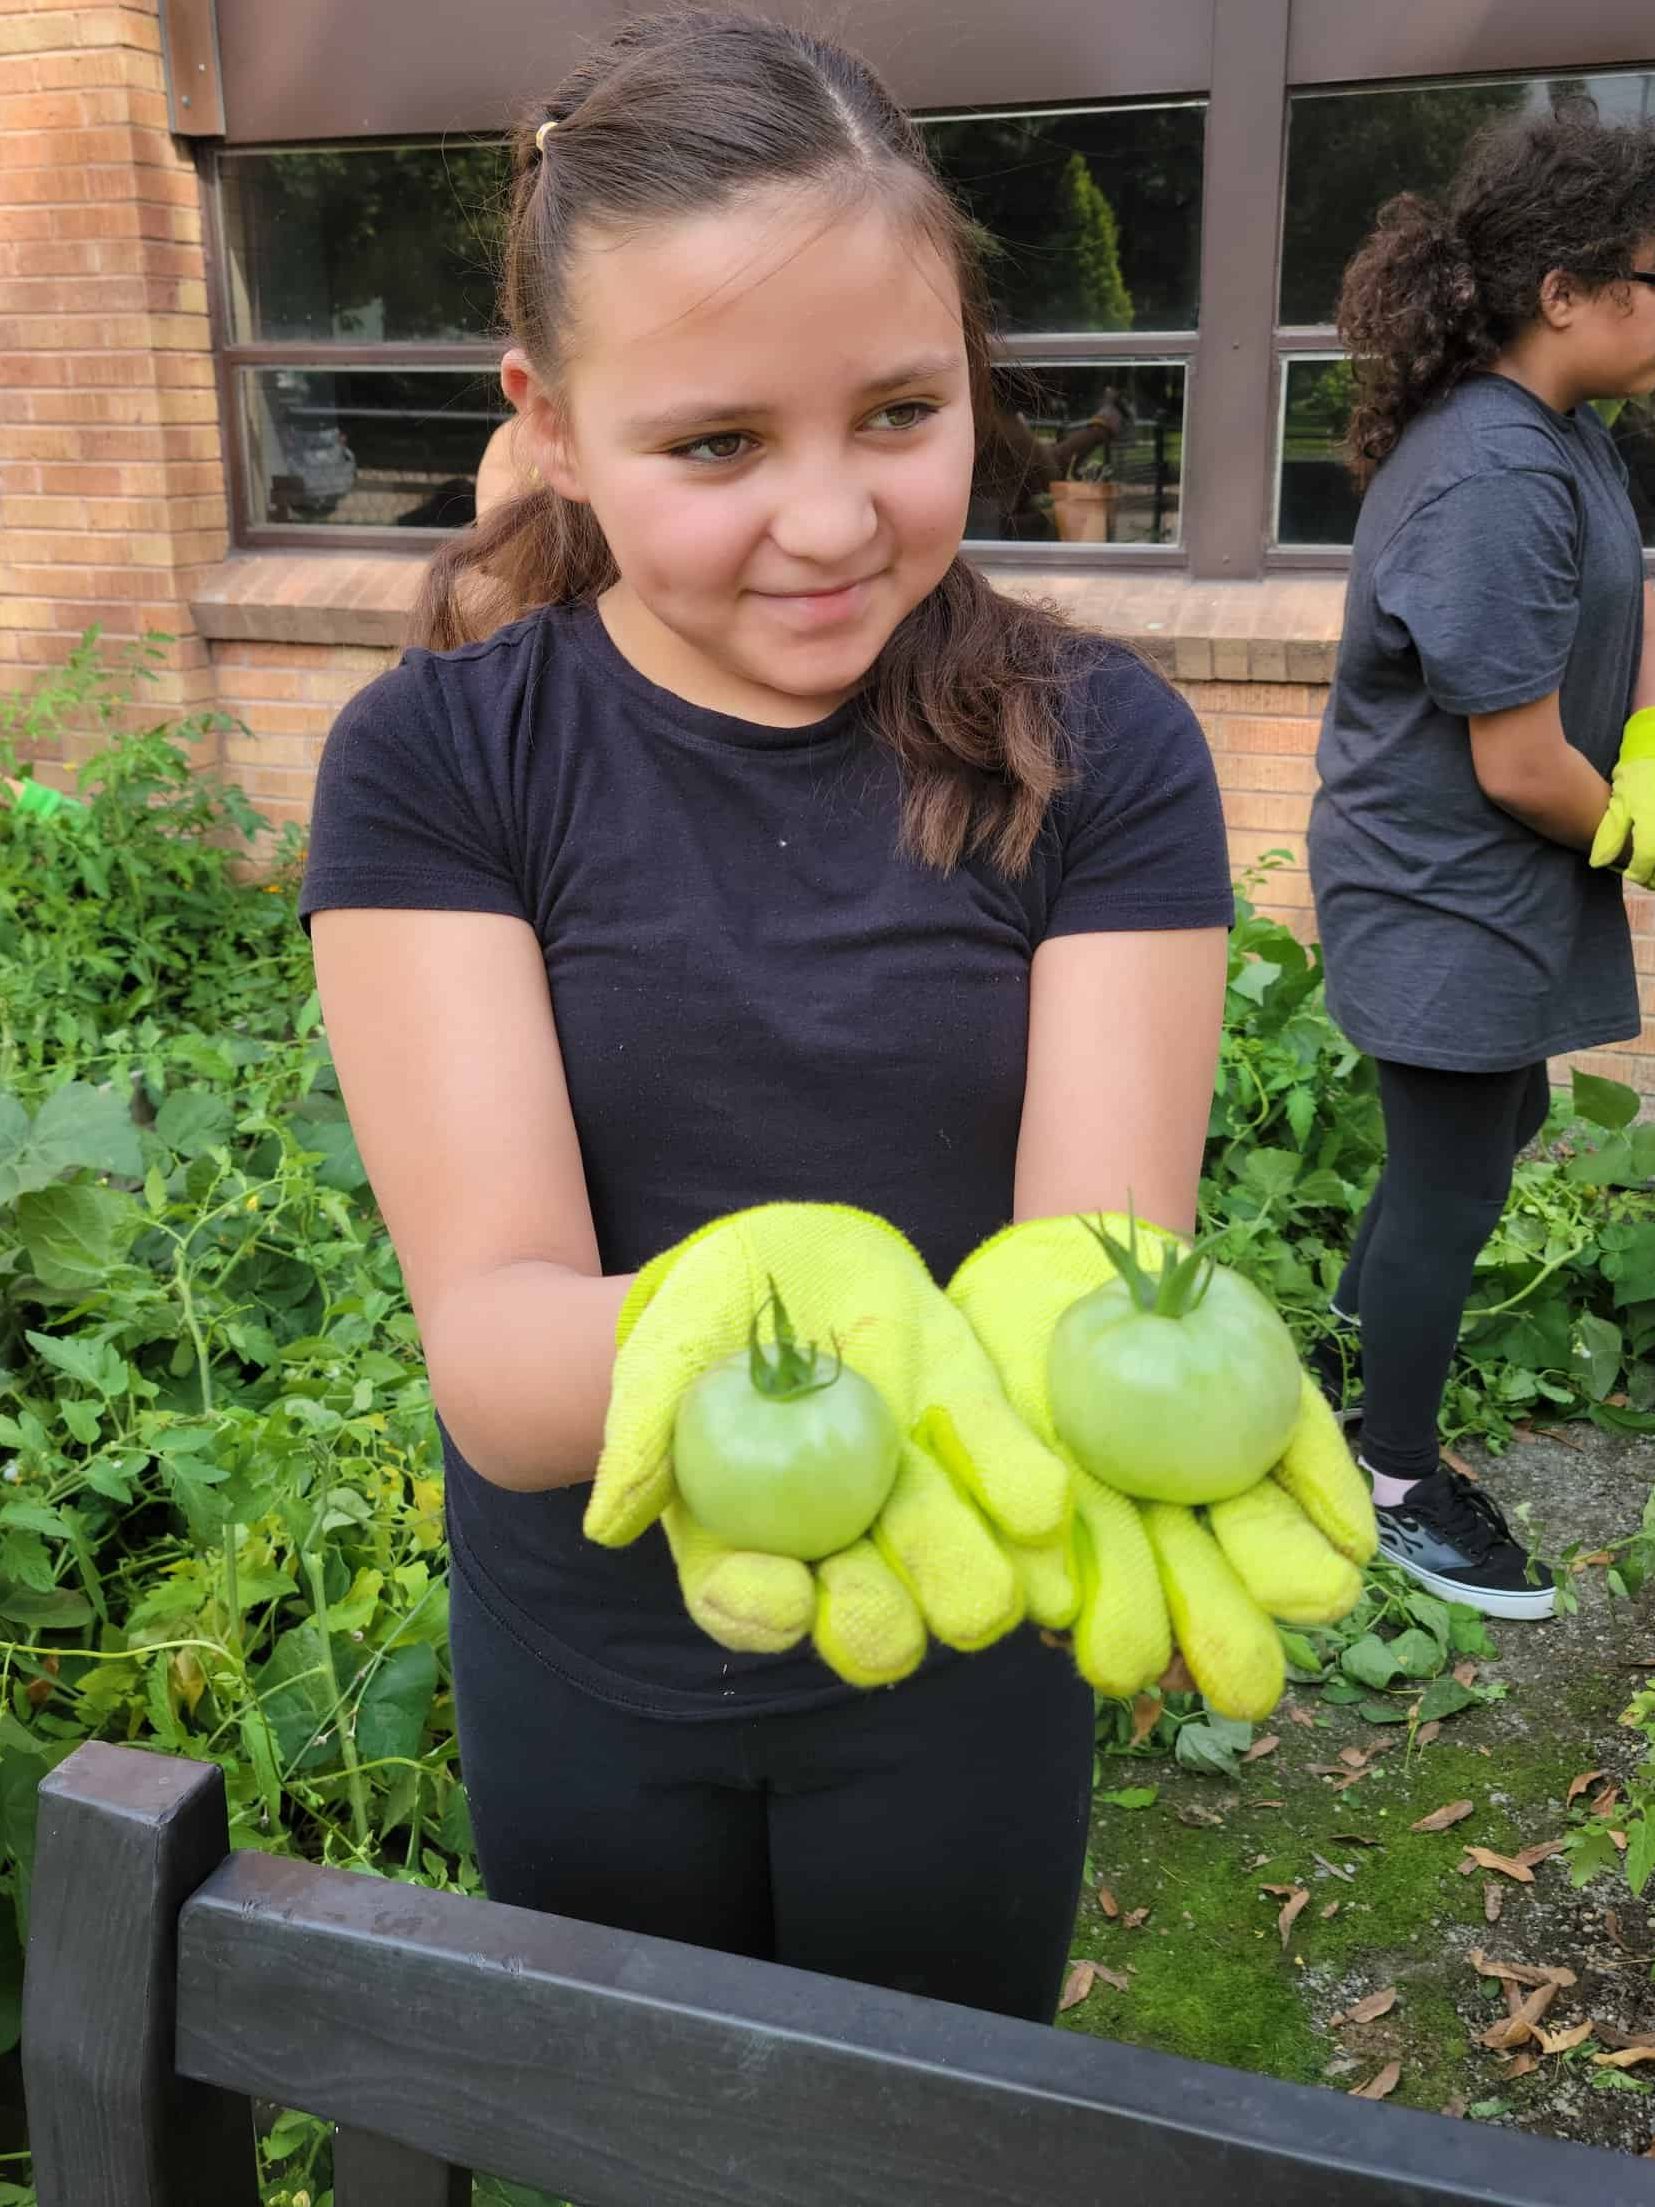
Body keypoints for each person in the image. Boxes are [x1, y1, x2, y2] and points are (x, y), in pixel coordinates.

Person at [298, 9, 1233, 2021]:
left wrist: (1135, 1389)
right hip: (592, 1662)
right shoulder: (439, 767)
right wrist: (796, 1291)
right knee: (626, 2136)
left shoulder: (1107, 753)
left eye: (899, 411)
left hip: (966, 1657)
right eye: (718, 444)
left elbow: (1093, 1287)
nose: (828, 521)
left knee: (918, 2130)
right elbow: (506, 1368)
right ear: (553, 425)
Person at [1308, 105, 1655, 1622]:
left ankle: (1342, 1351)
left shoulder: (1568, 437)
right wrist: (1641, 833)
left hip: (1489, 875)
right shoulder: (1494, 472)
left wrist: (1643, 749)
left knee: (1496, 1119)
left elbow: (1623, 604)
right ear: (1566, 291)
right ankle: (1390, 1481)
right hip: (1439, 883)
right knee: (1454, 1173)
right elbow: (1516, 763)